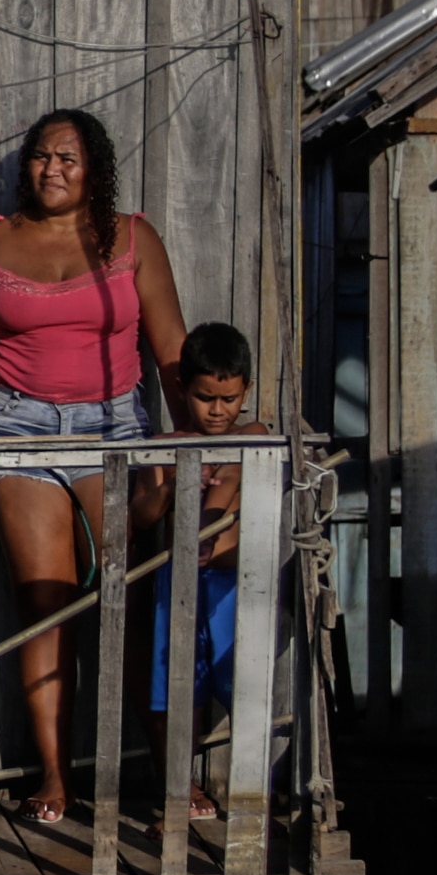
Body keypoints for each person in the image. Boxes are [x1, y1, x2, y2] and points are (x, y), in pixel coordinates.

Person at [0, 109, 190, 826]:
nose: (51, 170)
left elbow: (171, 349)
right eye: (42, 157)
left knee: (127, 606)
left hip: (114, 429)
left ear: (94, 170)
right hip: (17, 426)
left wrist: (195, 445)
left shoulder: (133, 239)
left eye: (68, 159)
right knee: (46, 605)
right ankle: (53, 775)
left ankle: (169, 772)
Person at [133, 321, 261, 822]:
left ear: (244, 392)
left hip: (232, 585)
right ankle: (177, 788)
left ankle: (251, 794)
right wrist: (171, 489)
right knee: (176, 690)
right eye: (206, 397)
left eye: (228, 399)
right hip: (177, 585)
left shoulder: (252, 435)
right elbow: (143, 512)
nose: (217, 410)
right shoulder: (165, 444)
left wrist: (205, 522)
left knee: (238, 683)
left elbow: (230, 477)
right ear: (184, 389)